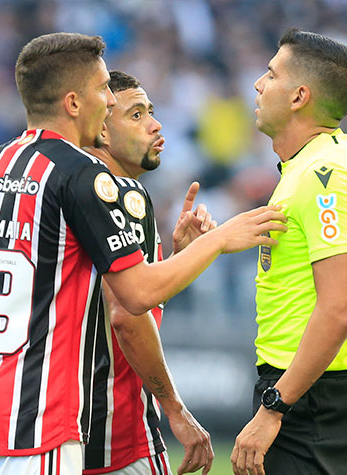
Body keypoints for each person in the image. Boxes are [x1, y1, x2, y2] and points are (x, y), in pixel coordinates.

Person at [0, 32, 286, 474]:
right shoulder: (83, 176)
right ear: (73, 102)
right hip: (35, 427)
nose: (109, 101)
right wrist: (219, 240)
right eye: (105, 89)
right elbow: (136, 297)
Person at [230, 28, 347, 475]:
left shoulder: (326, 174)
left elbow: (340, 308)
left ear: (300, 95)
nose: (259, 84)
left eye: (270, 73)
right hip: (309, 388)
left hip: (312, 395)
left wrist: (275, 406)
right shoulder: (334, 161)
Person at [83, 70, 214, 475]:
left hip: (54, 432)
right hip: (118, 436)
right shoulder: (120, 193)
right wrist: (173, 408)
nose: (156, 125)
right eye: (136, 115)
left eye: (152, 112)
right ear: (102, 131)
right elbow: (126, 315)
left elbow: (121, 299)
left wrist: (176, 259)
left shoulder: (69, 188)